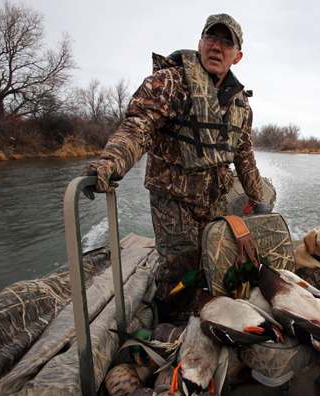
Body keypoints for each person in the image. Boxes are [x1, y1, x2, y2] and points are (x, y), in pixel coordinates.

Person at [80, 13, 263, 322]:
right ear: (200, 43)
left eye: (226, 42)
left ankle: (207, 312)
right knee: (181, 264)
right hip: (172, 198)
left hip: (215, 198)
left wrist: (258, 199)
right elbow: (138, 128)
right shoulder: (170, 82)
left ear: (237, 55)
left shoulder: (241, 105)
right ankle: (169, 319)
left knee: (219, 260)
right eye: (211, 38)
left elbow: (244, 155)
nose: (216, 47)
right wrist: (111, 163)